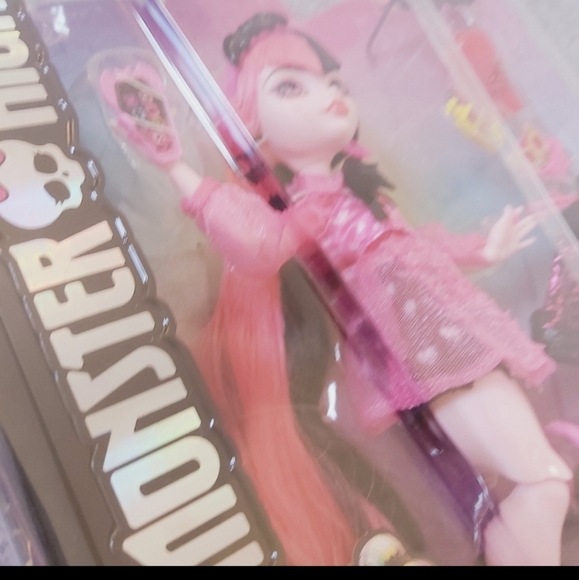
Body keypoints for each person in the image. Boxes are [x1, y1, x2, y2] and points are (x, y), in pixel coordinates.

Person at [111, 12, 573, 566]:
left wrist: (483, 248)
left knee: (542, 484)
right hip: (425, 364)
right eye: (290, 87)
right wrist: (176, 168)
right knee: (545, 483)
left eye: (334, 83)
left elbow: (412, 246)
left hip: (458, 347)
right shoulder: (313, 210)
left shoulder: (357, 197)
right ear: (253, 125)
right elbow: (261, 244)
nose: (329, 96)